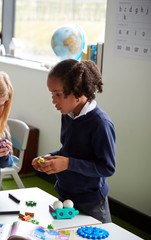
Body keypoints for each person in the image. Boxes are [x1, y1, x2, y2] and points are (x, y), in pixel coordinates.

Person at [32, 59, 116, 223]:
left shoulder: (100, 124)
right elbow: (69, 151)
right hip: (66, 194)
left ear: (79, 91)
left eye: (58, 94)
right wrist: (50, 158)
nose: (54, 101)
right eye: (52, 94)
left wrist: (68, 164)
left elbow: (107, 168)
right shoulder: (68, 115)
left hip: (91, 202)